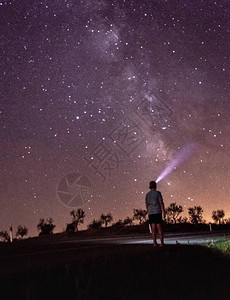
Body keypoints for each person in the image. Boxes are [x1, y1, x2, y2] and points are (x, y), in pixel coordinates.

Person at [145, 181, 165, 247]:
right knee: (159, 227)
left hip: (151, 212)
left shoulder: (147, 195)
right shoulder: (158, 193)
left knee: (153, 228)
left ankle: (154, 243)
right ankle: (161, 243)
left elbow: (146, 204)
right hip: (157, 211)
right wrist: (163, 211)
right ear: (155, 186)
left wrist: (148, 212)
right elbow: (161, 202)